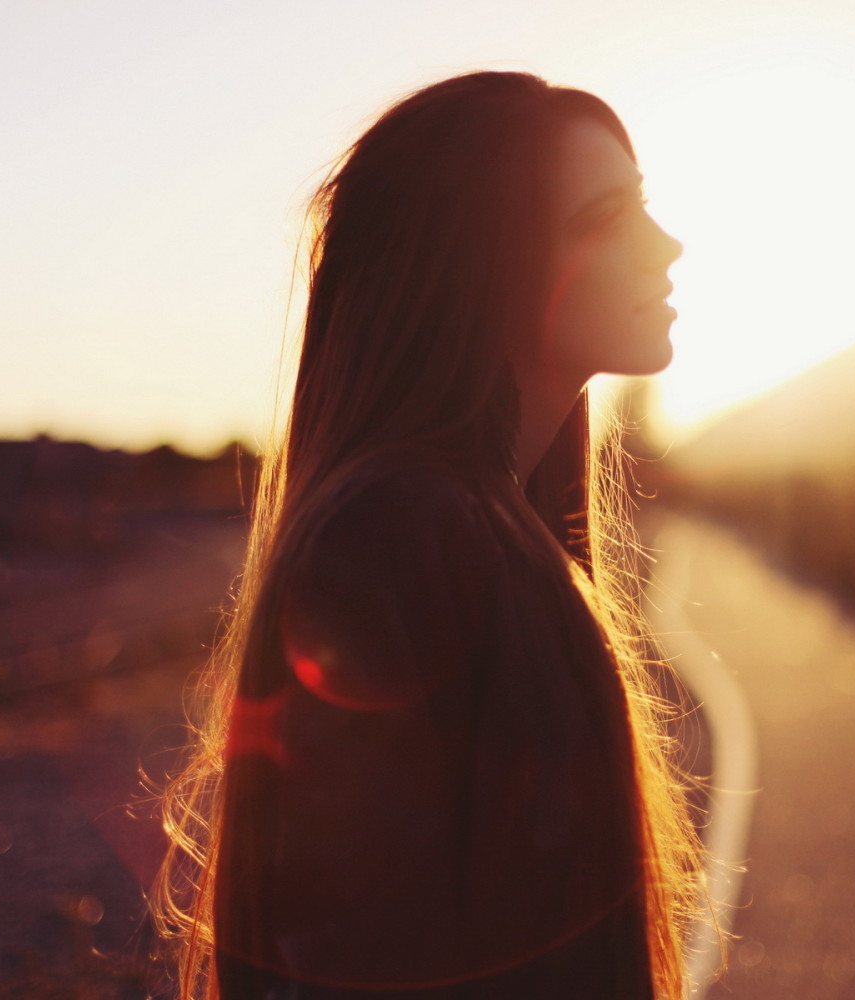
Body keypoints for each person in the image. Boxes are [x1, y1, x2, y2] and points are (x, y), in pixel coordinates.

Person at [153, 70, 706, 999]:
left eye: (643, 205)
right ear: (483, 262)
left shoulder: (483, 526)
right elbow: (347, 955)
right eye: (606, 217)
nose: (666, 245)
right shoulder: (401, 536)